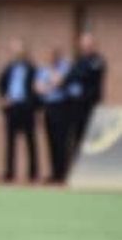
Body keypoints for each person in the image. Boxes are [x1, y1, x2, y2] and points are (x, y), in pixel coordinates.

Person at [0, 39, 38, 183]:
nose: (15, 51)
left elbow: (36, 88)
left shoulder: (32, 68)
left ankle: (33, 173)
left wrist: (34, 104)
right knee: (10, 141)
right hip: (12, 107)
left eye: (18, 49)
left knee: (30, 140)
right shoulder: (9, 68)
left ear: (24, 51)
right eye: (13, 49)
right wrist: (4, 97)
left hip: (26, 107)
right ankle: (9, 172)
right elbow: (0, 83)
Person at [65, 32, 107, 162]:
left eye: (88, 44)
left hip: (91, 105)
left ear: (93, 45)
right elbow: (69, 77)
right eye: (83, 44)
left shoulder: (97, 61)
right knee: (77, 137)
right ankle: (78, 164)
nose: (86, 47)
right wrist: (75, 75)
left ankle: (93, 165)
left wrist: (76, 74)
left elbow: (86, 75)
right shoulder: (79, 60)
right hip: (76, 106)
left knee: (92, 138)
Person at [34, 46, 72, 184]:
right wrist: (49, 86)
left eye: (52, 55)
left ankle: (63, 173)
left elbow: (59, 82)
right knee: (50, 140)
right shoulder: (42, 69)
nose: (50, 58)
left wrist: (50, 81)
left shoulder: (65, 67)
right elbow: (38, 88)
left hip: (62, 107)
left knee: (61, 140)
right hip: (48, 107)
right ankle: (54, 173)